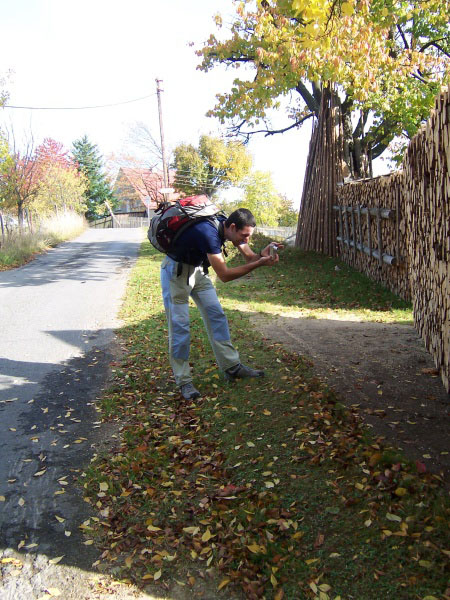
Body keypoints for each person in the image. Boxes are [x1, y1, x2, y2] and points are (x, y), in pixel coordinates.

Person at [160, 207, 281, 400]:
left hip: (198, 271)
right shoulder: (208, 233)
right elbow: (224, 275)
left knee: (217, 315)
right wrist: (259, 264)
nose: (246, 239)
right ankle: (184, 381)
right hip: (176, 273)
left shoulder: (227, 226)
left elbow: (250, 257)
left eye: (249, 236)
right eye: (244, 235)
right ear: (232, 227)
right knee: (180, 326)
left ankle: (232, 367)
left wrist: (262, 254)